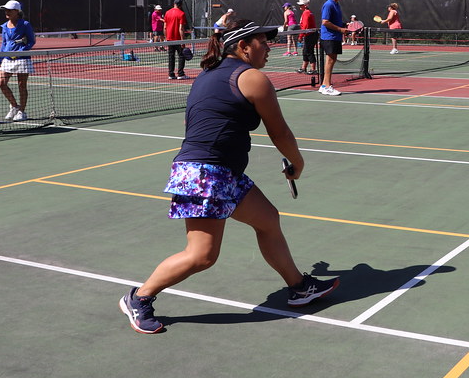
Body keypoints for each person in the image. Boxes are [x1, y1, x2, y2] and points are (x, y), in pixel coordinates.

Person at [118, 19, 339, 334]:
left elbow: (192, 124)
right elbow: (279, 132)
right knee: (202, 255)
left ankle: (300, 287)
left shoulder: (208, 75)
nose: (269, 46)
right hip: (205, 173)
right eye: (263, 40)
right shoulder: (252, 78)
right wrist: (298, 164)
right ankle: (138, 298)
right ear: (244, 46)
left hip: (222, 171)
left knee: (268, 219)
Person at [0, 0, 35, 122]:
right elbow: (4, 43)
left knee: (21, 86)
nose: (6, 12)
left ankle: (21, 111)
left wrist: (22, 51)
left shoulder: (25, 24)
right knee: (1, 83)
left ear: (17, 11)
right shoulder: (4, 26)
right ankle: (14, 105)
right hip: (7, 59)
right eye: (5, 10)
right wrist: (0, 58)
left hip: (22, 59)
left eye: (9, 10)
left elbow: (31, 41)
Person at [319, 0, 348, 96]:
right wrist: (340, 29)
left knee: (331, 60)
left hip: (335, 36)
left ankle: (323, 85)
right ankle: (327, 86)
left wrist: (345, 25)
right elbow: (325, 22)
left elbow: (335, 21)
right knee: (330, 60)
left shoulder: (336, 5)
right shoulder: (329, 4)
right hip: (329, 36)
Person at [165, 0, 188, 80]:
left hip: (169, 39)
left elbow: (165, 27)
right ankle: (180, 74)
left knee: (171, 56)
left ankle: (171, 74)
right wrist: (182, 41)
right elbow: (181, 28)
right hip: (178, 39)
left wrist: (166, 38)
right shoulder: (181, 14)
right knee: (181, 56)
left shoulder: (167, 13)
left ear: (174, 4)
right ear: (180, 5)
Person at [296, 0, 317, 75]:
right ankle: (303, 68)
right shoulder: (306, 12)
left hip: (310, 34)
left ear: (305, 5)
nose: (299, 7)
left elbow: (305, 25)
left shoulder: (306, 13)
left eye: (301, 5)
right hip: (309, 34)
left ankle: (313, 69)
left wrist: (301, 36)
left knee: (309, 51)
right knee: (305, 51)